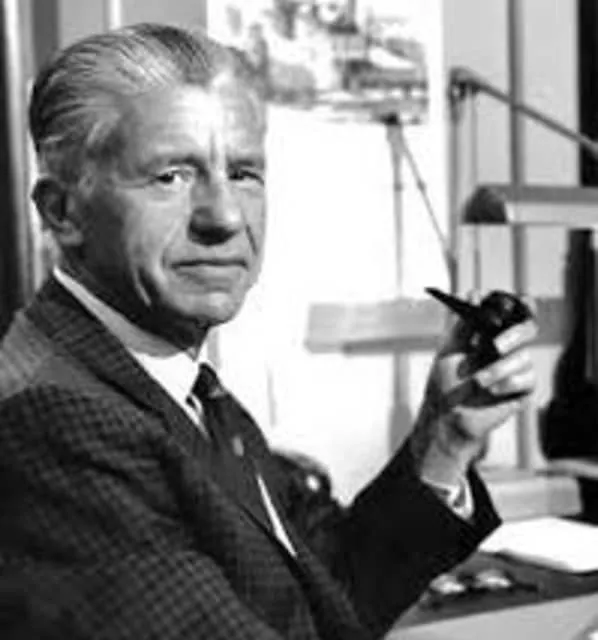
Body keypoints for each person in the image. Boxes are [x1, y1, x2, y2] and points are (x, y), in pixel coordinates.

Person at [0, 23, 537, 639]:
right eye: (170, 176)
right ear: (62, 212)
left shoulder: (173, 379)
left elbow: (327, 597)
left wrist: (444, 438)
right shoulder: (50, 423)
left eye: (243, 173)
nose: (225, 217)